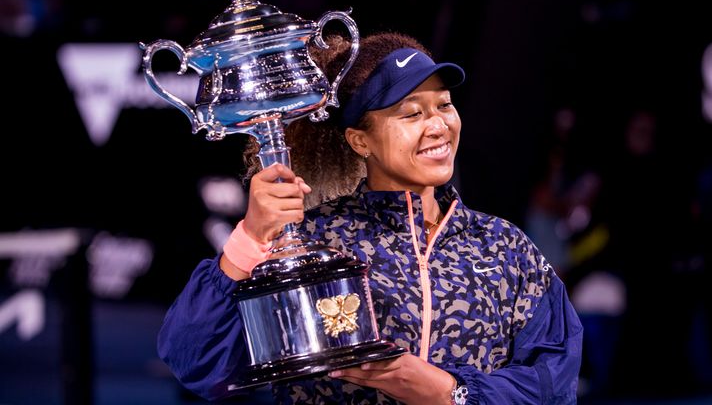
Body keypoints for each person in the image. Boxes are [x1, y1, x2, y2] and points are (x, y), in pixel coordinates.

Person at [157, 31, 583, 404]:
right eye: (412, 113)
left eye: (444, 106)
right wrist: (250, 237)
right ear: (361, 140)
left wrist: (447, 392)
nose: (437, 126)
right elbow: (198, 364)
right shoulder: (311, 244)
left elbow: (554, 386)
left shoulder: (504, 247)